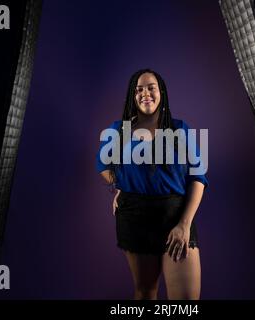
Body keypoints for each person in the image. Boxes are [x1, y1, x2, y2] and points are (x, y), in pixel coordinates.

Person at [96, 69, 208, 300]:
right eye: (138, 89)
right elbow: (103, 167)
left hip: (175, 216)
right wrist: (122, 187)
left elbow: (198, 178)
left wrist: (184, 224)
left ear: (161, 92)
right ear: (132, 96)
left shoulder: (180, 129)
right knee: (146, 293)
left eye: (151, 87)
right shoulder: (118, 131)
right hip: (134, 216)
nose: (145, 93)